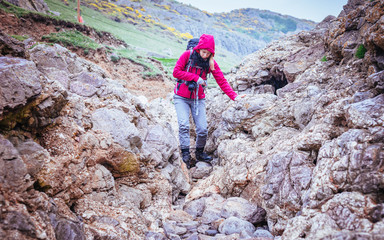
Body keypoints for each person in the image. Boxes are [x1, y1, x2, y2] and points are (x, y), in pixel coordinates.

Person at [173, 34, 243, 169]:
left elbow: (221, 80)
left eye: (208, 53)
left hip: (198, 99)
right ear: (198, 49)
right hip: (181, 97)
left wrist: (235, 97)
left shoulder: (210, 63)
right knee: (183, 125)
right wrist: (195, 78)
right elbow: (176, 72)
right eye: (203, 52)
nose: (205, 55)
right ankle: (186, 155)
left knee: (202, 129)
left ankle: (199, 153)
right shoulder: (187, 55)